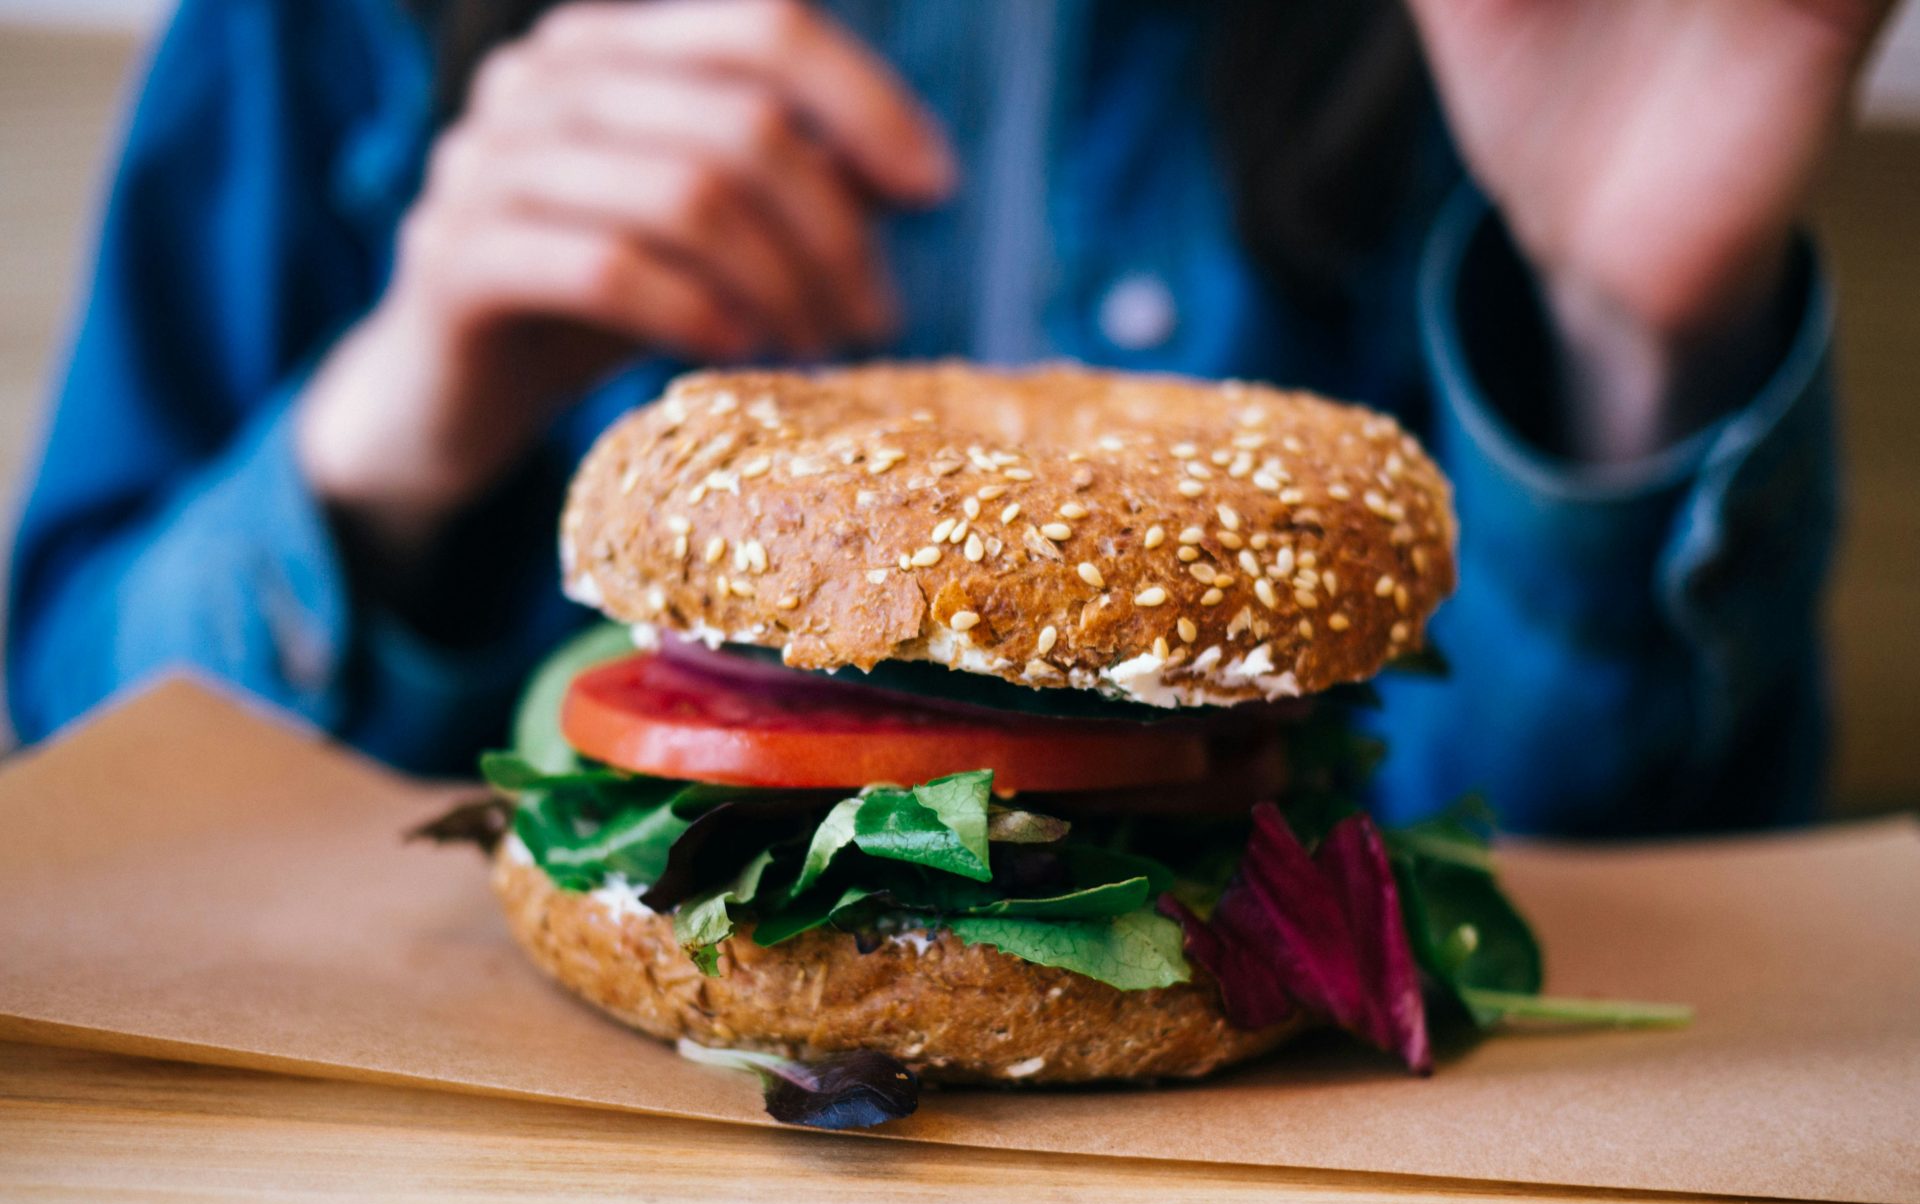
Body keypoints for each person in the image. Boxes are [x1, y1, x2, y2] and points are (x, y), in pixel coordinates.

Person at [6, 0, 1894, 833]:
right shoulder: (327, 24)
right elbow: (63, 787)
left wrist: (1633, 325)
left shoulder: (1507, 40)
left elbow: (1610, 904)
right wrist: (398, 417)